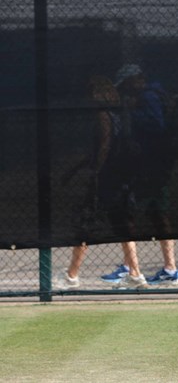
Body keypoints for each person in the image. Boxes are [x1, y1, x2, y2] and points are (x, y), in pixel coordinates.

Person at [56, 75, 145, 289]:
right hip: (117, 179)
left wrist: (96, 172)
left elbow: (105, 145)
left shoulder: (103, 116)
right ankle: (136, 273)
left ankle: (71, 276)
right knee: (122, 224)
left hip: (106, 180)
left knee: (87, 225)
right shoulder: (117, 116)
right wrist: (74, 170)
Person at [105, 64, 178, 287]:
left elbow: (156, 125)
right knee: (151, 212)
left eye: (126, 85)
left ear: (135, 80)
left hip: (153, 166)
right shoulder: (154, 94)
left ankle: (145, 268)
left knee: (134, 211)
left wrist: (132, 111)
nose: (124, 91)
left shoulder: (148, 97)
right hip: (151, 165)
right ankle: (138, 265)